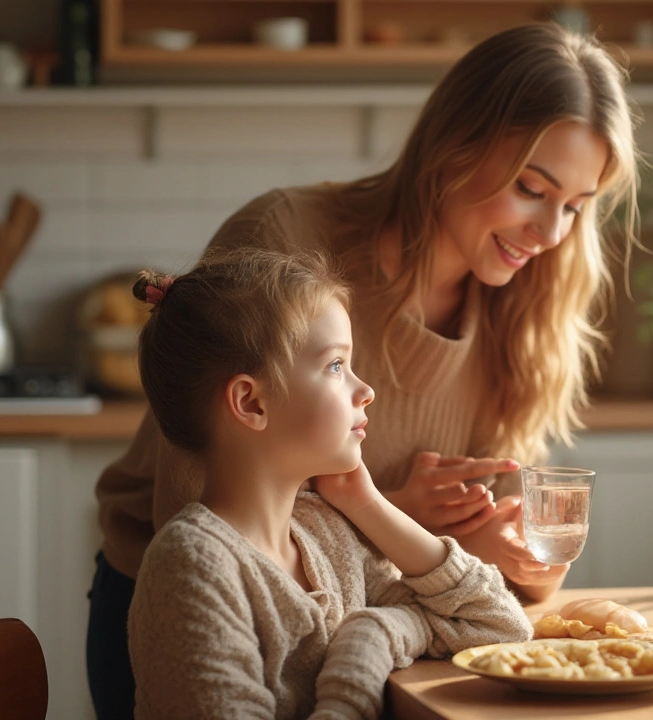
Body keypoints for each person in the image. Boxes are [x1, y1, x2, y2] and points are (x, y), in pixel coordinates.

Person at [89, 21, 639, 717]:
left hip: (355, 642)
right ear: (453, 149)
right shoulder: (290, 245)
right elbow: (195, 517)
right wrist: (392, 519)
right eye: (532, 188)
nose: (553, 234)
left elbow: (488, 594)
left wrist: (514, 558)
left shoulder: (525, 308)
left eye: (577, 207)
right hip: (197, 617)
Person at [125, 248, 532, 719]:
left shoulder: (327, 534)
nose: (366, 390)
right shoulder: (193, 567)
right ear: (251, 403)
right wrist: (356, 676)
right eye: (336, 366)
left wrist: (369, 512)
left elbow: (498, 625)